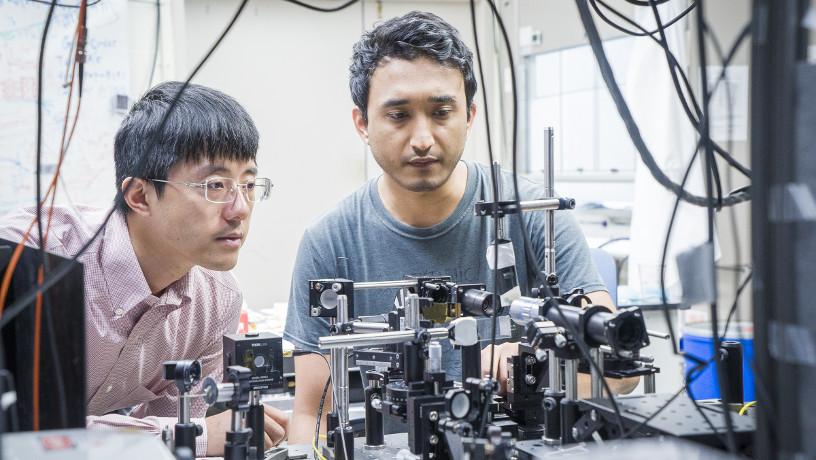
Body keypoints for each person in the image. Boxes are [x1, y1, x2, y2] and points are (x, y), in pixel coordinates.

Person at [283, 11, 635, 443]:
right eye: (398, 115)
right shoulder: (330, 242)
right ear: (362, 123)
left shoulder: (535, 215)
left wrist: (530, 369)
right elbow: (311, 415)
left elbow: (621, 374)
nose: (423, 138)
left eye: (441, 111)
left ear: (468, 115)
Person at [0, 82, 287, 457]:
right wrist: (195, 434)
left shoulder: (216, 300)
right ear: (139, 196)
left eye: (248, 185)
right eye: (215, 185)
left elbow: (170, 442)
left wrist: (186, 436)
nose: (240, 208)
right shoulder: (29, 257)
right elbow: (26, 430)